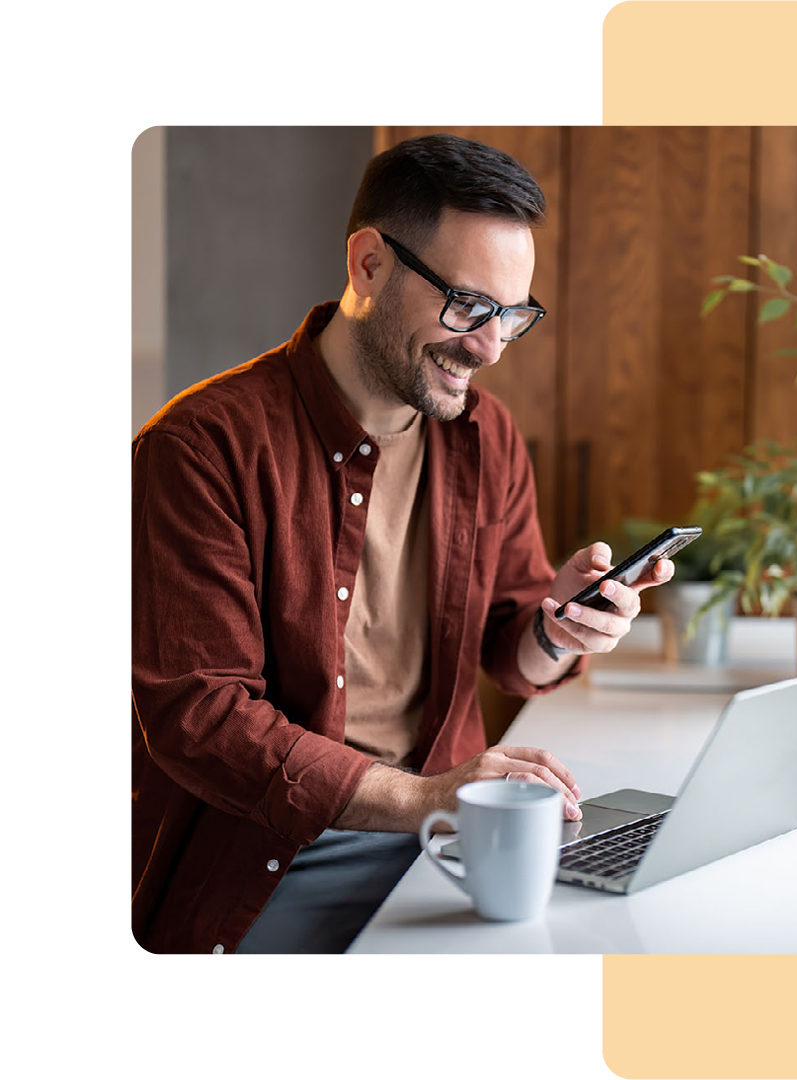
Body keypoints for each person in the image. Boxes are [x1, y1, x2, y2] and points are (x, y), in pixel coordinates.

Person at [131, 134, 674, 954]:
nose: (490, 348)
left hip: (449, 839)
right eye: (467, 307)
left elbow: (508, 652)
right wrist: (430, 800)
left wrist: (557, 628)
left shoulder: (486, 439)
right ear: (369, 266)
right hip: (275, 860)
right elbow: (202, 718)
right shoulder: (200, 448)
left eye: (511, 316)